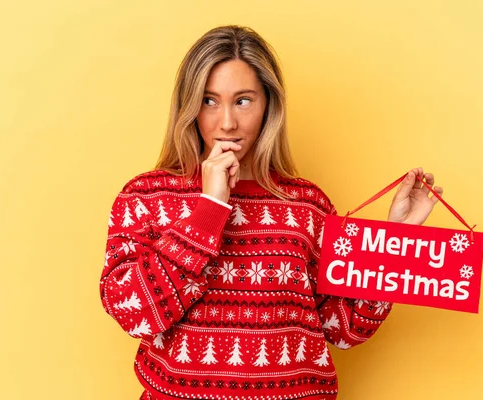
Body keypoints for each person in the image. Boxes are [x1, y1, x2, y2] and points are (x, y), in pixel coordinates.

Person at [99, 25, 443, 400]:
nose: (227, 122)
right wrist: (209, 209)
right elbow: (134, 314)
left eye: (243, 100)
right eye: (209, 100)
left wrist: (398, 241)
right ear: (189, 106)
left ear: (268, 106)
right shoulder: (145, 197)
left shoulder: (308, 206)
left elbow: (343, 328)